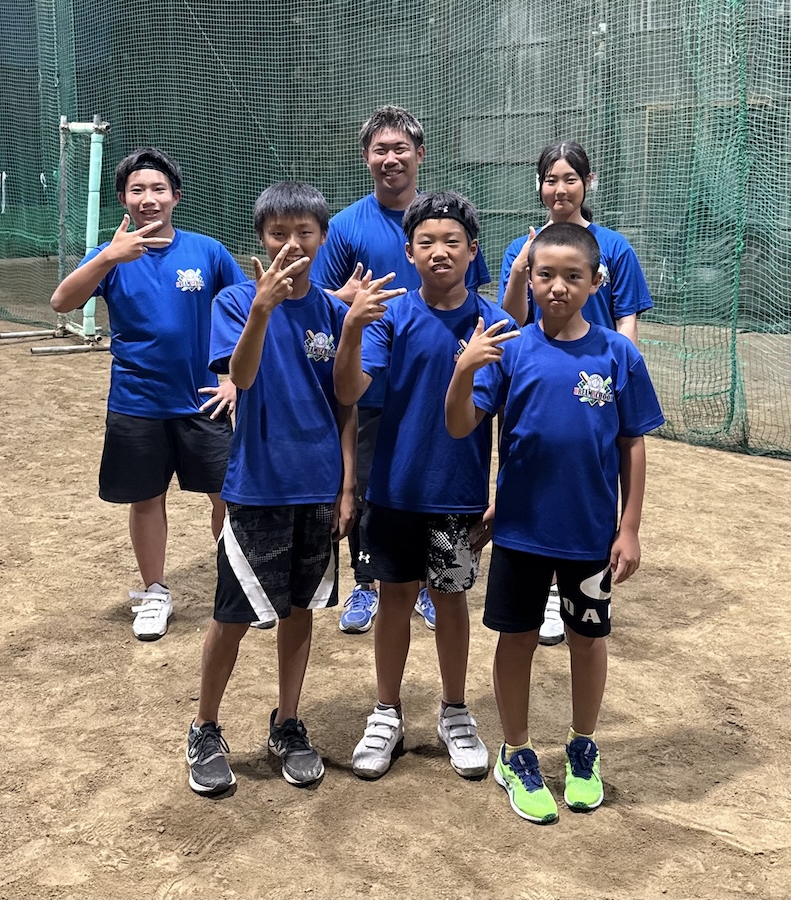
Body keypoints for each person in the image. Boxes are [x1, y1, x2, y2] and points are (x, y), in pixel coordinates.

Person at [446, 222, 664, 823]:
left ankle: (582, 747)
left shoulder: (618, 354)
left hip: (590, 533)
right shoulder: (510, 349)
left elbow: (632, 443)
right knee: (515, 639)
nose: (558, 286)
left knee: (587, 641)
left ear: (596, 283)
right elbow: (461, 425)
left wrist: (629, 526)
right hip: (520, 531)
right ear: (529, 278)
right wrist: (463, 371)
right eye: (545, 274)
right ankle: (515, 752)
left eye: (573, 276)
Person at [184, 182, 360, 795]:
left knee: (300, 611)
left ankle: (287, 722)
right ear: (260, 238)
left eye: (304, 233)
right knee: (231, 615)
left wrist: (346, 486)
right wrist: (262, 309)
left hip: (318, 487)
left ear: (323, 237)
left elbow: (345, 405)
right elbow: (241, 374)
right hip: (258, 486)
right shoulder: (237, 300)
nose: (291, 244)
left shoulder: (333, 313)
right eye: (278, 233)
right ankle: (205, 726)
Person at [333, 191, 511, 781]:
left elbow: (498, 422)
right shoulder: (390, 314)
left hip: (456, 498)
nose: (440, 252)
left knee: (451, 600)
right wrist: (352, 329)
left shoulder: (496, 327)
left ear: (473, 250)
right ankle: (386, 712)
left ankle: (454, 711)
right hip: (393, 493)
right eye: (426, 242)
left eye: (452, 241)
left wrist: (503, 494)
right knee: (394, 599)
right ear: (409, 253)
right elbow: (349, 391)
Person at [49, 147, 248, 641]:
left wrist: (233, 379)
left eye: (158, 188)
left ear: (176, 196)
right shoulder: (111, 254)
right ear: (123, 198)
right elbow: (61, 301)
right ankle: (155, 592)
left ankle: (237, 586)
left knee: (228, 497)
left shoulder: (207, 252)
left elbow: (249, 309)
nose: (149, 198)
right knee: (146, 499)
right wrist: (107, 258)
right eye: (137, 190)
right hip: (136, 403)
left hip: (204, 401)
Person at [311, 105, 491, 636]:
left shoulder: (446, 220)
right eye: (380, 150)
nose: (391, 159)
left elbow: (473, 298)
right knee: (374, 487)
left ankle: (434, 586)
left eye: (400, 149)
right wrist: (345, 303)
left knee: (438, 480)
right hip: (372, 386)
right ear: (366, 158)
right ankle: (368, 584)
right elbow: (320, 301)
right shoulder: (346, 226)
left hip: (438, 382)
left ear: (420, 154)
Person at [496, 139, 655, 647]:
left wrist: (619, 371)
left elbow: (627, 314)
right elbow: (511, 321)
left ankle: (575, 589)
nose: (560, 188)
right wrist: (520, 268)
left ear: (588, 183)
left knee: (589, 483)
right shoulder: (523, 249)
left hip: (597, 381)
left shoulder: (615, 247)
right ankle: (545, 594)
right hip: (543, 374)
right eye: (551, 179)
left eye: (570, 178)